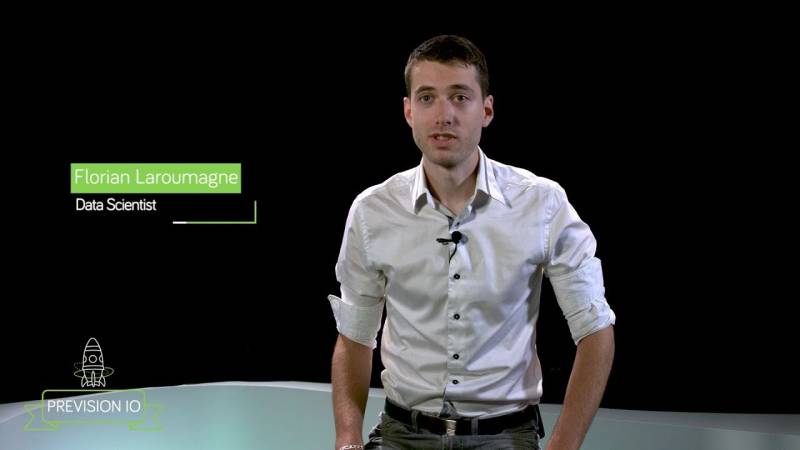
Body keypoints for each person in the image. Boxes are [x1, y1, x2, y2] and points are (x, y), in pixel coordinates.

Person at [329, 35, 615, 450]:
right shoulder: (372, 211)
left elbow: (596, 330)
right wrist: (347, 440)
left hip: (505, 436)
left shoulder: (542, 203)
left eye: (460, 97)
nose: (443, 114)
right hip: (400, 434)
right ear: (409, 111)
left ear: (486, 110)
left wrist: (563, 446)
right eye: (427, 98)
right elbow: (354, 337)